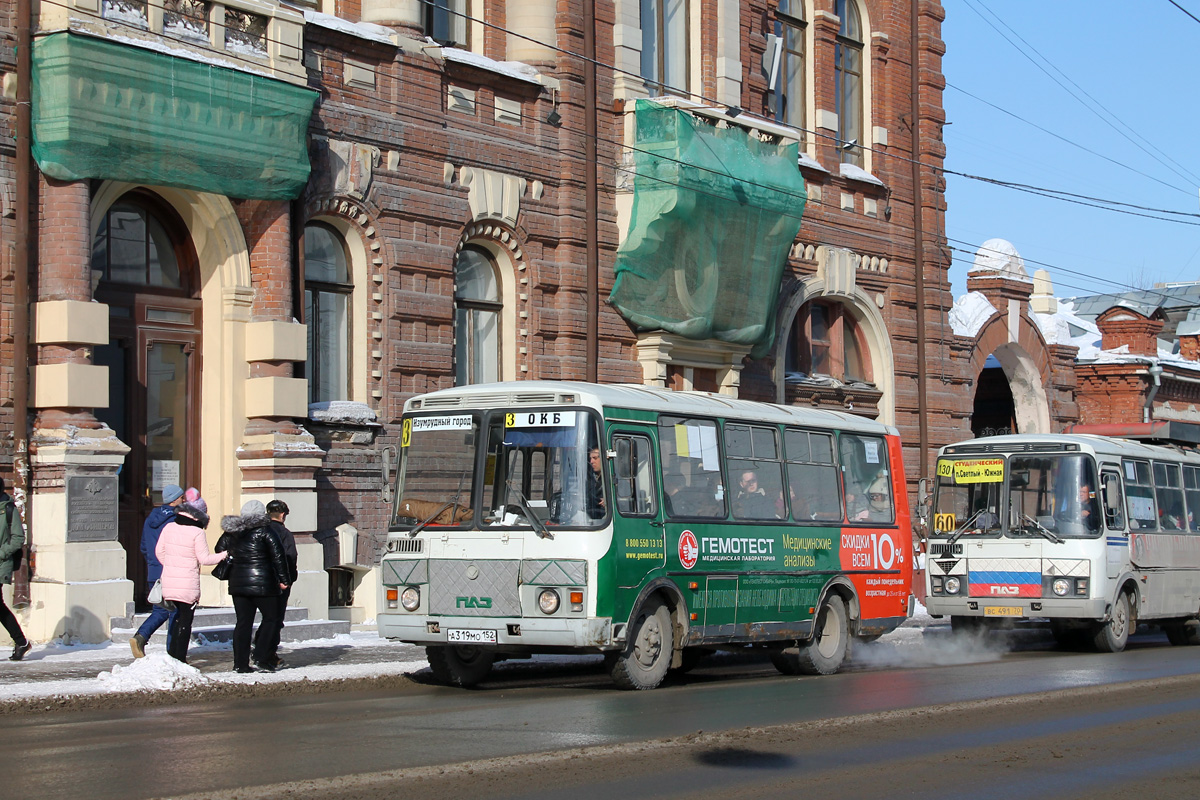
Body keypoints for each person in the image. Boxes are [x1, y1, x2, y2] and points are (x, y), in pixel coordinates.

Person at [217, 500, 289, 674]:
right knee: (271, 618)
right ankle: (262, 658)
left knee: (243, 623)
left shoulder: (231, 532)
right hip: (263, 584)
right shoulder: (266, 531)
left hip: (238, 584)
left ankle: (240, 664)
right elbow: (278, 556)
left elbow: (219, 549)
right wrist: (284, 579)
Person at [154, 496, 227, 664]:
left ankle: (172, 655)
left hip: (169, 582)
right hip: (187, 584)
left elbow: (159, 552)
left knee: (175, 618)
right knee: (185, 622)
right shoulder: (197, 532)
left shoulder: (169, 527)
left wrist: (172, 565)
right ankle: (180, 658)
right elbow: (204, 559)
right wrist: (224, 555)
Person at [130, 483, 186, 658]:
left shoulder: (150, 518)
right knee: (173, 612)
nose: (184, 500)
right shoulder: (175, 521)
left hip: (154, 570)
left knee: (161, 610)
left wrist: (153, 564)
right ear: (175, 500)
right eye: (182, 497)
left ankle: (141, 637)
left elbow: (144, 547)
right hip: (170, 571)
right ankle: (171, 653)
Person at [252, 500, 298, 671]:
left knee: (267, 618)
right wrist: (289, 579)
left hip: (260, 579)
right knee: (275, 619)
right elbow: (290, 557)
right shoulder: (284, 534)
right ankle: (266, 652)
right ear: (283, 514)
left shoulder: (260, 531)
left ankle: (261, 647)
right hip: (279, 581)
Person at [0, 479, 31, 661]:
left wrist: (2, 553)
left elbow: (18, 538)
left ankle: (21, 641)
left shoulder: (8, 509)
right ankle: (21, 642)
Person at [586, 447, 606, 519]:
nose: (591, 461)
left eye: (595, 458)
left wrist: (608, 503)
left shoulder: (611, 478)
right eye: (590, 459)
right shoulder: (589, 478)